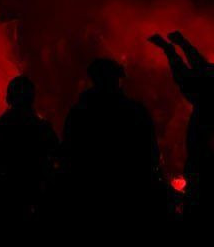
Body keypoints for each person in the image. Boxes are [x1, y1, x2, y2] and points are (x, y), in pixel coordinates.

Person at [151, 31, 214, 208]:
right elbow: (203, 71)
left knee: (200, 208)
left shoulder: (204, 100)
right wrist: (183, 44)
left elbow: (183, 74)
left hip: (201, 168)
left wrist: (171, 50)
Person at [61, 57, 159, 200]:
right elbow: (151, 152)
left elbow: (68, 152)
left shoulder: (79, 112)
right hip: (130, 189)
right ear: (117, 79)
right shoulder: (134, 111)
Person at [0, 75, 58, 207]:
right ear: (32, 99)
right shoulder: (42, 127)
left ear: (8, 98)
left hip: (6, 196)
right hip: (36, 194)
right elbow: (56, 154)